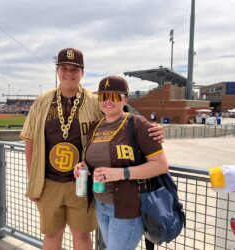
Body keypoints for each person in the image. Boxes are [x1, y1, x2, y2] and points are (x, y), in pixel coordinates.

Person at [20, 48, 165, 250]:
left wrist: (153, 128)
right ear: (57, 70)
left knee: (81, 235)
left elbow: (121, 115)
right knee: (51, 234)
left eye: (75, 69)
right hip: (48, 183)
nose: (69, 73)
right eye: (64, 68)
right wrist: (32, 181)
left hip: (82, 183)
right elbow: (30, 141)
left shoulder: (93, 100)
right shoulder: (43, 101)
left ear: (82, 72)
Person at [74, 75, 169, 250]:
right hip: (101, 203)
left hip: (127, 207)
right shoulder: (96, 126)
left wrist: (121, 173)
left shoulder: (137, 123)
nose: (108, 101)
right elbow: (94, 161)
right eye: (103, 96)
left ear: (125, 99)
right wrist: (83, 167)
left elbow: (161, 165)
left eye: (115, 96)